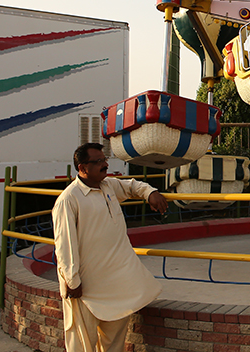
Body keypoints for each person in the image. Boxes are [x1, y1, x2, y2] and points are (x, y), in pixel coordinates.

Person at [53, 143, 169, 352]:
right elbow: (64, 245)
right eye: (97, 162)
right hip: (84, 288)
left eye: (104, 160)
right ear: (82, 168)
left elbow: (132, 187)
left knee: (113, 344)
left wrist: (150, 193)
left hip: (115, 286)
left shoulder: (108, 186)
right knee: (81, 345)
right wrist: (73, 280)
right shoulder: (68, 200)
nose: (105, 165)